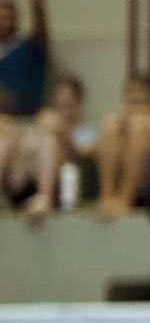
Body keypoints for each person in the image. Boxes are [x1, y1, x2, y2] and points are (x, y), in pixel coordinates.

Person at [0, 75, 94, 221]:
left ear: (79, 101)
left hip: (65, 185)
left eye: (67, 96)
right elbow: (28, 147)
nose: (62, 100)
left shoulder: (87, 131)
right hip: (26, 179)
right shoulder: (47, 121)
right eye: (59, 96)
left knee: (48, 142)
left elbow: (84, 156)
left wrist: (62, 134)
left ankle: (45, 197)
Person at [92, 75, 150, 219]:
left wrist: (146, 121)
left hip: (147, 183)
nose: (135, 95)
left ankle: (125, 200)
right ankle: (107, 196)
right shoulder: (118, 120)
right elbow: (92, 149)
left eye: (140, 92)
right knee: (111, 126)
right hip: (118, 176)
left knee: (139, 130)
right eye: (130, 92)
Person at [0, 0, 49, 118]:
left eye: (8, 13)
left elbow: (41, 35)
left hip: (24, 120)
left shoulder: (28, 50)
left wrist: (38, 8)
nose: (4, 18)